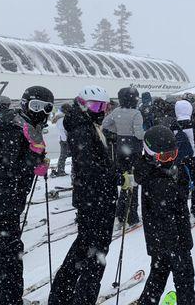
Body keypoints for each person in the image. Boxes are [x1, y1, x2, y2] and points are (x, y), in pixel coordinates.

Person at [0, 86, 53, 305]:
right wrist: (34, 161)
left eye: (47, 108)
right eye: (36, 106)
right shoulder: (13, 128)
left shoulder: (24, 126)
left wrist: (36, 159)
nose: (42, 112)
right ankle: (8, 300)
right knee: (10, 256)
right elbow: (10, 166)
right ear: (26, 104)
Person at [48, 85, 118, 305]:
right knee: (96, 250)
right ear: (83, 105)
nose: (100, 110)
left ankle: (62, 294)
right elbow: (89, 166)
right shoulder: (82, 128)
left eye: (103, 106)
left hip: (94, 196)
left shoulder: (87, 125)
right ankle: (80, 297)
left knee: (85, 244)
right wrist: (113, 177)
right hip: (95, 198)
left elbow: (94, 162)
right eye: (95, 105)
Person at [133, 125, 195, 305]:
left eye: (173, 155)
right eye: (165, 157)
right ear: (151, 155)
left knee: (158, 276)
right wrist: (179, 245)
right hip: (173, 241)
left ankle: (147, 301)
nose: (170, 160)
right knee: (184, 280)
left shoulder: (154, 170)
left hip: (160, 241)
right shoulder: (159, 182)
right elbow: (171, 211)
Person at [103, 87, 144, 226]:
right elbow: (139, 134)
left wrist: (118, 131)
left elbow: (105, 124)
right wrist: (147, 134)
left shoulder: (116, 111)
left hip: (121, 149)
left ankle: (120, 213)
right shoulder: (136, 113)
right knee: (134, 182)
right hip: (134, 151)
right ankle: (132, 216)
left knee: (125, 182)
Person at [171, 100, 195, 221]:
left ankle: (182, 211)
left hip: (179, 161)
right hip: (194, 159)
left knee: (181, 186)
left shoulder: (173, 125)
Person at [51, 103, 72, 178]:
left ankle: (61, 170)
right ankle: (60, 171)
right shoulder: (61, 118)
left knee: (64, 155)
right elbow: (62, 130)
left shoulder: (60, 115)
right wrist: (65, 140)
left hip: (63, 138)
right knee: (63, 155)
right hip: (64, 139)